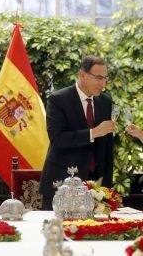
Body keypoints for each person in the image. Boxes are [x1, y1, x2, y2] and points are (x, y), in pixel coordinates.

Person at [39, 55, 116, 210]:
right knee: (58, 233)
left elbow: (107, 147)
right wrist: (93, 133)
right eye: (98, 78)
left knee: (96, 233)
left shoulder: (105, 102)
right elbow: (57, 139)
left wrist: (108, 187)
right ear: (82, 74)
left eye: (105, 78)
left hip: (97, 187)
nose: (103, 84)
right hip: (62, 184)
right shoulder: (58, 99)